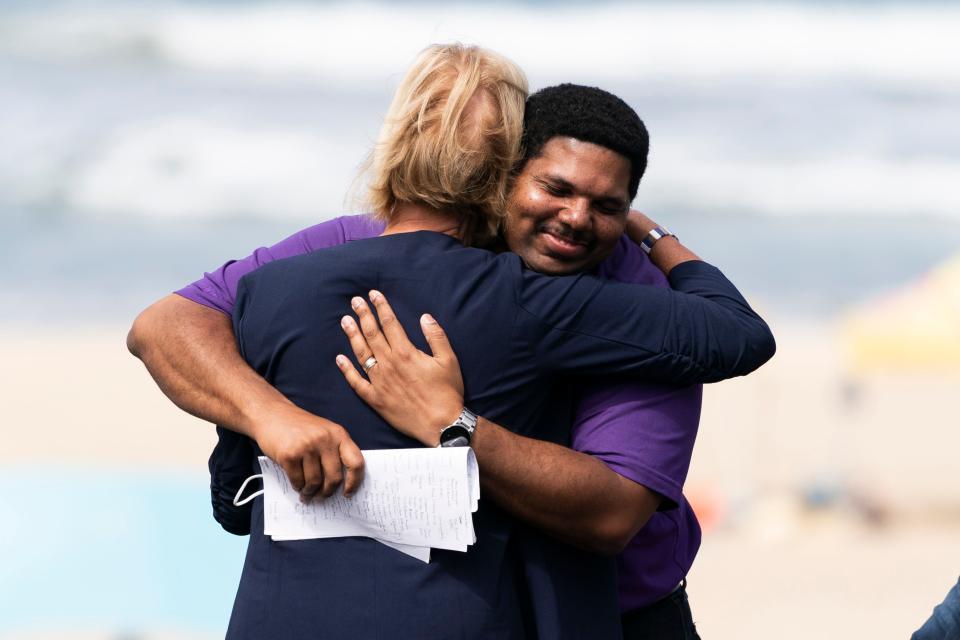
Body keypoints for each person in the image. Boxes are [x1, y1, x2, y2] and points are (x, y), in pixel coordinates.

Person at [128, 46, 775, 638]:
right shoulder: (351, 249)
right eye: (555, 188)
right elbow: (166, 325)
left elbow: (610, 515)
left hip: (625, 611)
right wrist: (273, 418)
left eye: (607, 205)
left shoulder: (627, 291)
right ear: (506, 175)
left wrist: (454, 423)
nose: (576, 218)